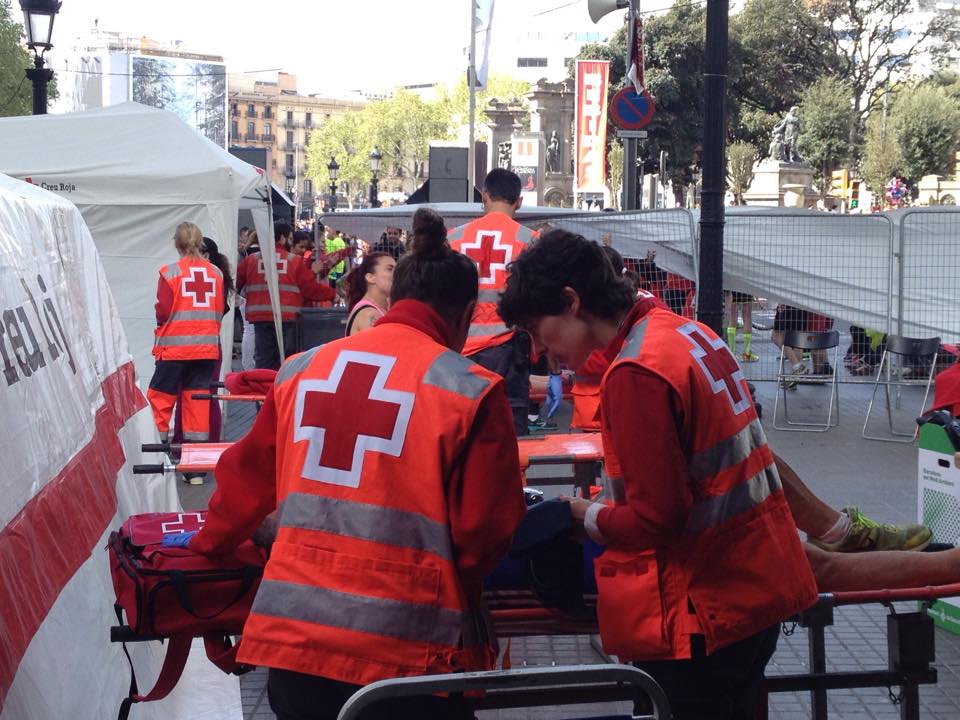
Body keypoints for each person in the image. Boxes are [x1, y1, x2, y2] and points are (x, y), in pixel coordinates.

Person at [188, 206, 526, 720]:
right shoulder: (471, 389)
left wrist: (205, 547)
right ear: (462, 316)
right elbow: (481, 537)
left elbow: (242, 483)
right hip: (407, 656)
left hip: (295, 644)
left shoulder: (301, 370)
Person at [499, 228, 818, 719]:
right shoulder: (686, 334)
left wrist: (581, 515)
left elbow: (658, 519)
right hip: (756, 594)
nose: (540, 352)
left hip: (703, 613)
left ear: (570, 301)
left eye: (538, 330)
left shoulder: (635, 374)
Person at [448, 169, 540, 436]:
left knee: (465, 424)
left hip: (461, 348)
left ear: (484, 197)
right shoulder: (529, 240)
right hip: (509, 349)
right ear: (519, 202)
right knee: (511, 429)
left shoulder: (454, 238)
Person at [147, 222, 226, 482]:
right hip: (205, 350)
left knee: (160, 403)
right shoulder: (216, 273)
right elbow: (218, 308)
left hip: (174, 351)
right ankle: (195, 471)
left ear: (176, 244)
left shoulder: (169, 273)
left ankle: (156, 460)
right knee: (197, 409)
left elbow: (163, 311)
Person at [236, 221, 336, 370]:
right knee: (286, 361)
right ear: (282, 238)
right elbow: (310, 289)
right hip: (287, 317)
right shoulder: (294, 261)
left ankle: (264, 389)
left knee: (264, 360)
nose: (291, 241)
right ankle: (282, 390)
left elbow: (235, 281)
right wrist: (332, 294)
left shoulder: (252, 259)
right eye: (290, 238)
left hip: (260, 317)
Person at [342, 251, 395, 336]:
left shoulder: (381, 309)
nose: (396, 273)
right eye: (390, 269)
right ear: (370, 278)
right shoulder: (369, 313)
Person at [725, 291, 759, 362]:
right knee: (747, 315)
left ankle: (732, 353)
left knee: (732, 314)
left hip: (732, 284)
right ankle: (746, 354)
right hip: (744, 285)